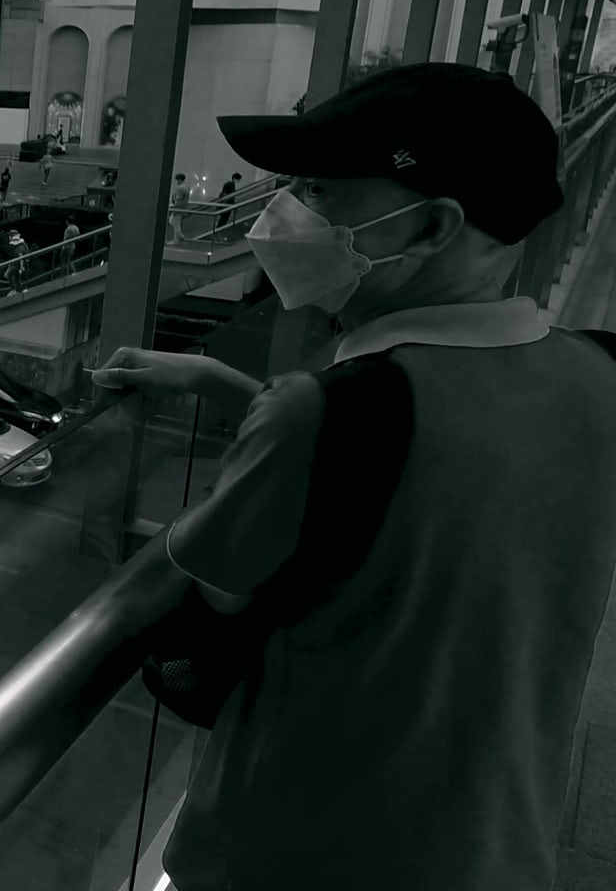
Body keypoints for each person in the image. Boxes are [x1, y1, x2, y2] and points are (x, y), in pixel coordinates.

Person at [93, 63, 616, 891]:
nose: (286, 214)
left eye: (322, 191)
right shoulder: (594, 374)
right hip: (495, 849)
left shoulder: (330, 412)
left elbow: (192, 594)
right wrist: (217, 383)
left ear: (432, 227)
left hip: (295, 854)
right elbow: (423, 474)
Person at [167, 172, 191, 244]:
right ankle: (180, 236)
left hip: (178, 208)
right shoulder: (186, 187)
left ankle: (177, 239)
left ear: (179, 180)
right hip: (182, 207)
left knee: (174, 222)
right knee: (175, 222)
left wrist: (173, 207)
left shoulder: (180, 188)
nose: (177, 181)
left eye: (177, 180)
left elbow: (178, 200)